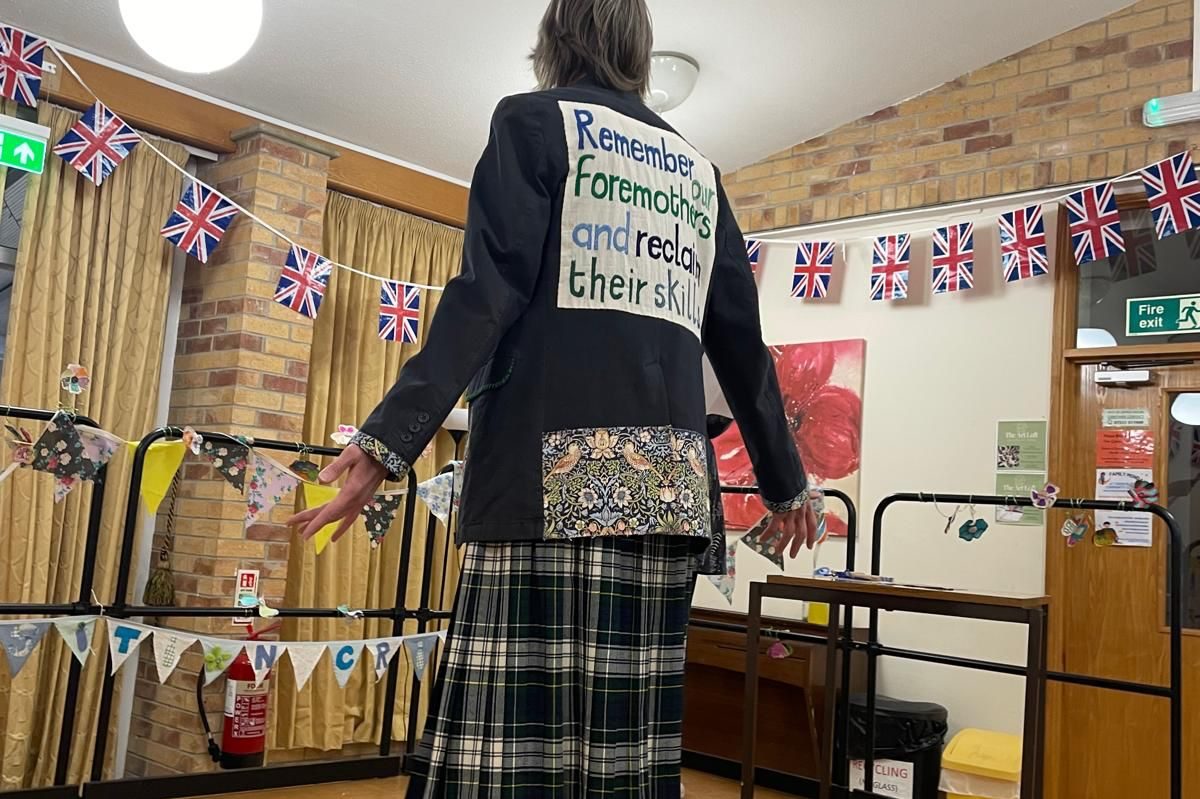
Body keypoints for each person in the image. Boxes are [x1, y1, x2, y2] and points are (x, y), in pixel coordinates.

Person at [289, 0, 817, 794]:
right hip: (666, 492)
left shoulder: (533, 125)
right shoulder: (699, 175)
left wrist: (389, 439)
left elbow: (485, 292)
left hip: (552, 475)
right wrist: (786, 482)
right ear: (639, 50)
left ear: (555, 42)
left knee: (511, 751)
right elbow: (743, 346)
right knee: (626, 755)